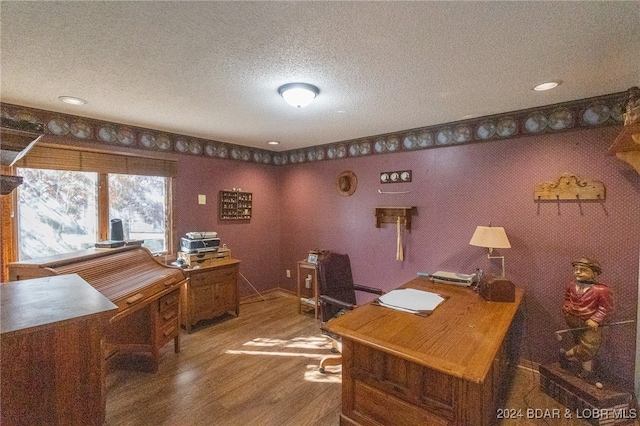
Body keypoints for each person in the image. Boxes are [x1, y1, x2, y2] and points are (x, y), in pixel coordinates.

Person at [561, 257, 614, 382]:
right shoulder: (571, 285)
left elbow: (605, 308)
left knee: (588, 347)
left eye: (583, 270)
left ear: (594, 273)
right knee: (579, 342)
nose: (578, 272)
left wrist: (596, 319)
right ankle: (586, 371)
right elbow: (568, 298)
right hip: (572, 319)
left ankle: (567, 355)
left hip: (590, 323)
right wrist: (566, 309)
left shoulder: (602, 290)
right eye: (576, 269)